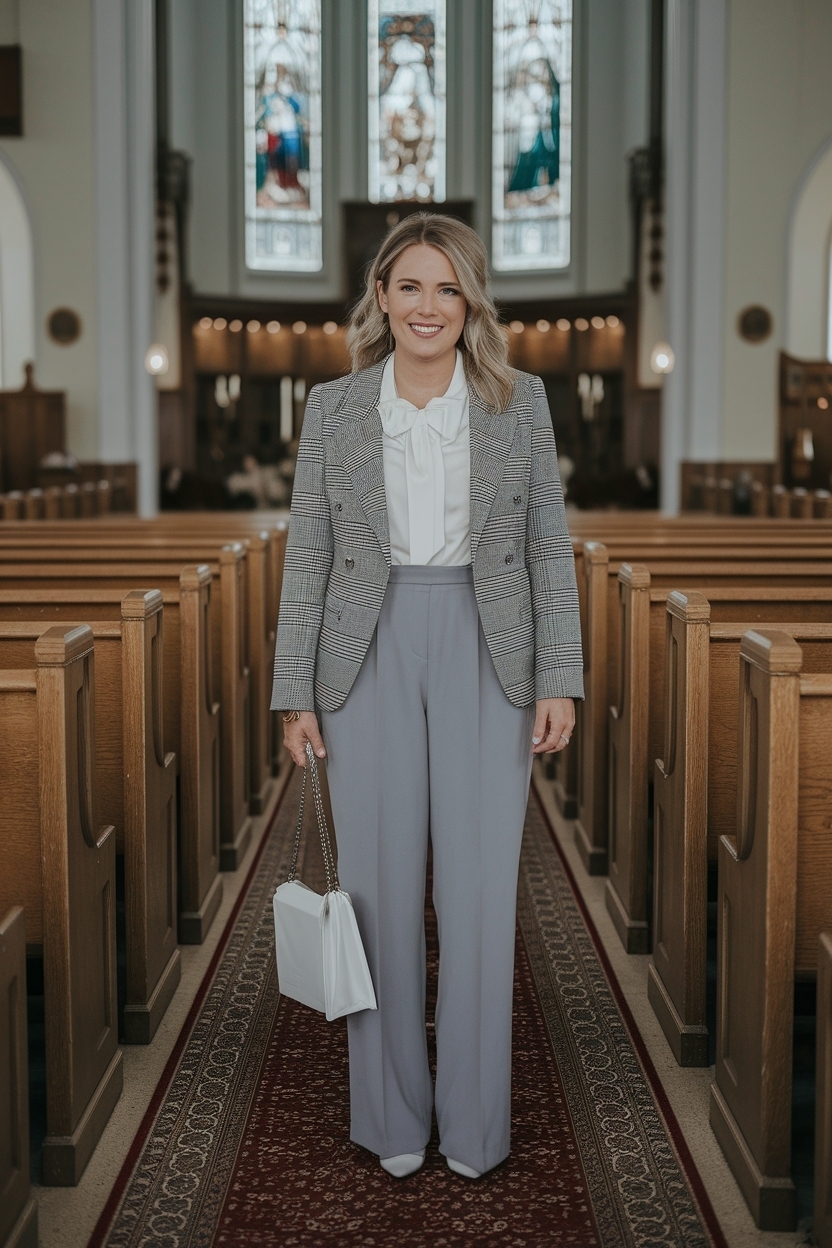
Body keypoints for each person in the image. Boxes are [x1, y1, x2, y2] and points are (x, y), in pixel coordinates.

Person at [271, 212, 583, 1181]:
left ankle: (477, 1126)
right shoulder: (334, 408)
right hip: (364, 649)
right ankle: (393, 1116)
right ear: (380, 297)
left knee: (483, 892)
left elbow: (545, 547)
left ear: (471, 305)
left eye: (448, 289)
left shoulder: (518, 401)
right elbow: (309, 554)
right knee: (377, 889)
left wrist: (559, 677)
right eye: (410, 286)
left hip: (490, 650)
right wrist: (295, 693)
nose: (428, 306)